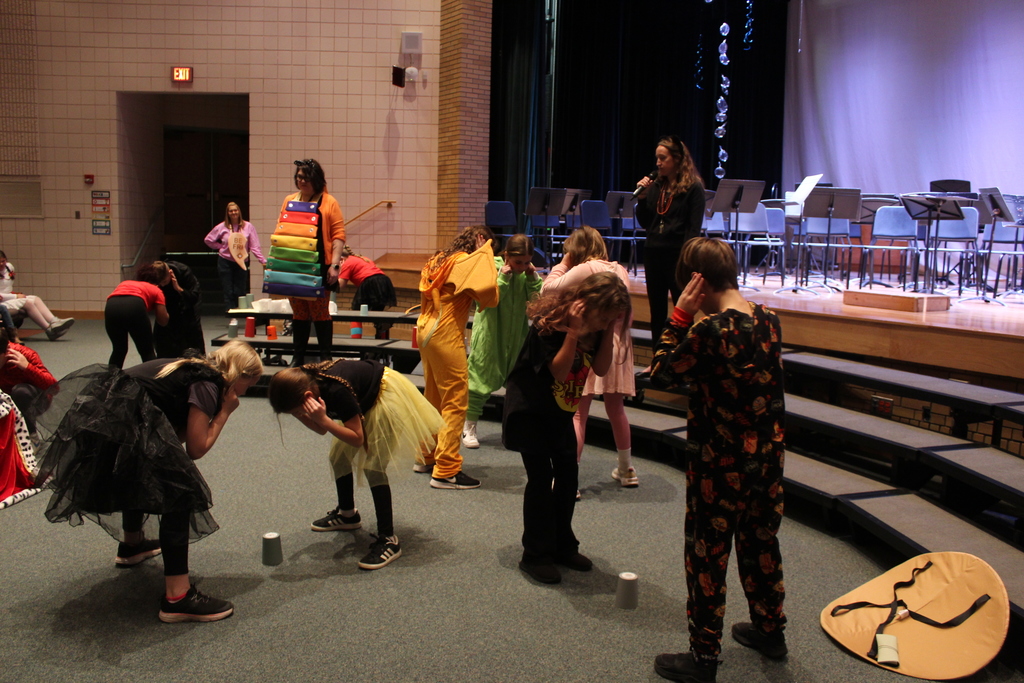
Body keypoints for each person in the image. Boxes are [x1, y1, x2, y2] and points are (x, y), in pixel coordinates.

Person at [33, 341, 264, 623]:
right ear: (239, 375)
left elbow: (168, 433)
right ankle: (178, 597)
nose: (246, 391)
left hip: (105, 420)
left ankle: (133, 544)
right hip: (120, 423)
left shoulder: (189, 367)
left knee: (143, 473)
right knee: (180, 492)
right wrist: (226, 411)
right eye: (249, 384)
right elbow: (196, 448)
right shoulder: (208, 384)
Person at [649, 238, 786, 683]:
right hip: (766, 462)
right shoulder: (769, 321)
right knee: (760, 544)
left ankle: (703, 657)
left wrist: (679, 316)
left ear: (696, 283)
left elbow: (661, 374)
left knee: (707, 556)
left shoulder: (709, 331)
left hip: (719, 467)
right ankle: (770, 631)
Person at [503, 271, 631, 584]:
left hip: (560, 411)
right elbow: (560, 373)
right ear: (589, 305)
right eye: (605, 316)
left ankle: (563, 545)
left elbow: (600, 368)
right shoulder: (551, 322)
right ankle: (534, 554)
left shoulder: (600, 326)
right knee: (540, 478)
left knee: (568, 474)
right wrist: (573, 333)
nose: (605, 323)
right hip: (530, 410)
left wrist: (610, 327)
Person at [268, 359, 443, 570]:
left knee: (373, 467)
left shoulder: (335, 391)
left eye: (298, 411)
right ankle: (347, 514)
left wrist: (322, 419)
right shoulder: (308, 383)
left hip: (383, 396)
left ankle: (388, 539)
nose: (299, 415)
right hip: (359, 397)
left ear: (307, 397)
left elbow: (356, 438)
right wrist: (310, 417)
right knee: (338, 458)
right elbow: (323, 429)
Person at [541, 227, 638, 488]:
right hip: (619, 345)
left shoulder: (587, 268)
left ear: (576, 250)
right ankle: (626, 469)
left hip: (595, 342)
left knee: (577, 415)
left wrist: (563, 264)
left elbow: (547, 290)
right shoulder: (620, 269)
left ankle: (568, 479)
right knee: (616, 409)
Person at [416, 226, 499, 489]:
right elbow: (490, 295)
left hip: (424, 329)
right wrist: (485, 252)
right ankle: (446, 470)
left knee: (434, 396)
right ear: (480, 240)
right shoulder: (464, 262)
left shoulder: (439, 258)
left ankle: (426, 455)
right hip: (445, 331)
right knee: (456, 399)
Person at [462, 234, 541, 449]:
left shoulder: (528, 273)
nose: (523, 267)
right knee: (480, 379)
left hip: (516, 335)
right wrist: (504, 278)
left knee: (518, 384)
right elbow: (488, 299)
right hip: (491, 333)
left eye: (527, 262)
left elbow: (535, 304)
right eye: (518, 262)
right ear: (506, 255)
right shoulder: (492, 267)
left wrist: (534, 280)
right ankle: (469, 426)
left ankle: (513, 430)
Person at [634, 135, 706, 352]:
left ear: (677, 159)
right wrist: (642, 198)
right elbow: (647, 222)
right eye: (657, 158)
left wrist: (687, 261)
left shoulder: (693, 188)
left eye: (662, 158)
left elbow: (693, 229)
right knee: (656, 311)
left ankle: (683, 357)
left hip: (678, 256)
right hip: (653, 253)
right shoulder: (656, 186)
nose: (658, 163)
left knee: (681, 309)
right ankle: (659, 356)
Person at [276, 159, 346, 366]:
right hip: (293, 264)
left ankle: (326, 357)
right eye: (298, 177)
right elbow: (282, 229)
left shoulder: (329, 201)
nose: (301, 181)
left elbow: (338, 235)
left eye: (305, 177)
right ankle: (298, 357)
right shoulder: (289, 199)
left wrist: (334, 265)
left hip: (319, 265)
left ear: (316, 179)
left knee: (319, 312)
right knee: (299, 313)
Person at [104, 261, 171, 368]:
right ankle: (152, 381)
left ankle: (110, 381)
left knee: (119, 350)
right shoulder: (156, 290)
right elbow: (163, 321)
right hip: (134, 307)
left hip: (111, 307)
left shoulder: (125, 283)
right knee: (147, 351)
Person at [204, 202, 266, 312]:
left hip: (242, 261)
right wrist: (222, 246)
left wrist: (262, 260)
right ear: (227, 213)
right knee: (228, 290)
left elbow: (254, 245)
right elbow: (208, 240)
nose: (233, 212)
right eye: (231, 211)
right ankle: (231, 314)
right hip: (225, 261)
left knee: (240, 289)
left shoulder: (248, 226)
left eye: (235, 210)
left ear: (239, 212)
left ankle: (240, 313)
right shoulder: (222, 226)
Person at [0, 250, 74, 341]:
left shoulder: (9, 267)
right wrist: (15, 297)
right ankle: (48, 329)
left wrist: (14, 294)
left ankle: (54, 321)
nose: (1, 264)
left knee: (35, 299)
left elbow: (7, 287)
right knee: (27, 303)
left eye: (3, 261)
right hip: (2, 302)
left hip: (9, 297)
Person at [0, 326, 56, 433]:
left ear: (6, 352)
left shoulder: (25, 354)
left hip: (29, 401)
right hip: (3, 402)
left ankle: (31, 436)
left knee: (21, 392)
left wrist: (27, 368)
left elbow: (54, 388)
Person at [337, 245, 397, 339]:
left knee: (355, 314)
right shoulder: (363, 258)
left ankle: (356, 342)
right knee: (378, 314)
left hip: (369, 281)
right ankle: (380, 338)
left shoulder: (347, 263)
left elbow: (341, 285)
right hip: (384, 281)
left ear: (340, 258)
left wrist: (327, 287)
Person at [153, 260, 206, 359]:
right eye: (160, 283)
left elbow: (193, 297)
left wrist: (178, 288)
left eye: (164, 281)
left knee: (191, 331)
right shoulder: (154, 275)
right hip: (167, 301)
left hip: (188, 299)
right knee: (162, 333)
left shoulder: (184, 271)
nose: (163, 285)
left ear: (170, 273)